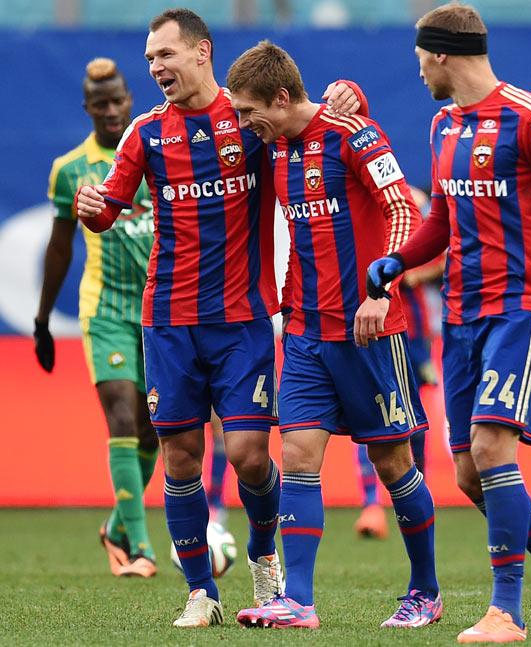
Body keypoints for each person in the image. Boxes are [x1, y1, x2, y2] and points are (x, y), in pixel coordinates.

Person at [75, 9, 362, 628]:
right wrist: (89, 204)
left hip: (242, 321)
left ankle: (263, 562)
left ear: (201, 52)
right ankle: (201, 592)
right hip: (169, 322)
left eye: (166, 56)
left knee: (249, 454)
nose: (156, 69)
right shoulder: (147, 132)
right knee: (179, 457)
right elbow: (107, 209)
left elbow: (310, 121)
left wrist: (351, 94)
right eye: (150, 59)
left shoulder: (250, 116)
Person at [366, 2, 531, 642]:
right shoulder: (441, 124)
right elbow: (441, 222)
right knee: (466, 473)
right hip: (458, 314)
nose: (419, 72)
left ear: (439, 55)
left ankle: (505, 611)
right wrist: (399, 260)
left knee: (492, 450)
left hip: (520, 309)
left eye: (419, 59)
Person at [228, 40, 441, 630]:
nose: (247, 126)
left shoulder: (355, 134)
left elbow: (405, 211)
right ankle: (297, 599)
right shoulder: (273, 150)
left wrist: (382, 289)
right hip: (302, 330)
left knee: (393, 460)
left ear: (280, 97)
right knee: (296, 455)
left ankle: (425, 590)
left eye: (251, 113)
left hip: (371, 331)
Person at [34, 58, 158, 578]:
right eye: (99, 103)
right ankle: (143, 551)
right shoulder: (71, 169)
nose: (111, 111)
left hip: (157, 309)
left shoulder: (156, 153)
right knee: (123, 419)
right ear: (87, 107)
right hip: (105, 309)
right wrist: (42, 321)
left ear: (130, 99)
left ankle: (115, 526)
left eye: (118, 100)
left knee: (155, 433)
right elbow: (60, 249)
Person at [354, 186, 441, 540]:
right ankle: (371, 504)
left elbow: (444, 249)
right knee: (367, 413)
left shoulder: (416, 202)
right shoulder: (358, 196)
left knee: (414, 418)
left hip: (412, 330)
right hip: (372, 324)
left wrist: (411, 273)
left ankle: (419, 496)